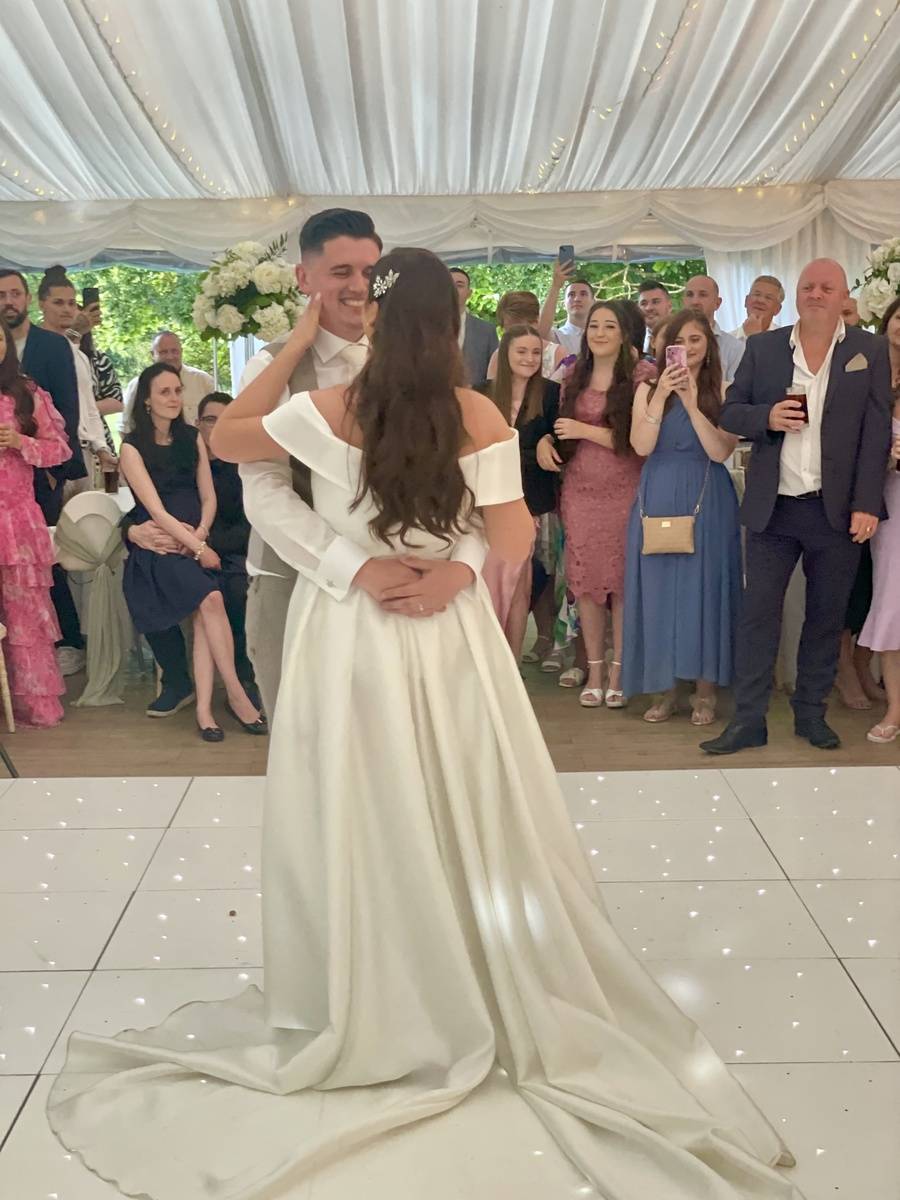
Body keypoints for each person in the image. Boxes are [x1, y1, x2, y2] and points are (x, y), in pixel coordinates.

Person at [48, 246, 800, 1200]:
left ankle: (376, 975)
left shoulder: (329, 408)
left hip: (351, 626)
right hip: (446, 629)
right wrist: (453, 568)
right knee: (466, 794)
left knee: (362, 796)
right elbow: (517, 532)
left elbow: (234, 441)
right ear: (451, 327)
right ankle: (469, 959)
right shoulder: (477, 409)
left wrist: (302, 344)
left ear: (378, 322)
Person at [239, 208, 485, 721]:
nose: (358, 287)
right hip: (301, 581)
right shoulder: (275, 366)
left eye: (369, 273)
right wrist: (356, 569)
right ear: (303, 278)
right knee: (311, 747)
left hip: (424, 591)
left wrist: (459, 567)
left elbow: (475, 490)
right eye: (340, 272)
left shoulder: (426, 365)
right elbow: (263, 488)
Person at [701, 258, 893, 755]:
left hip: (838, 511)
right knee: (757, 616)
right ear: (797, 293)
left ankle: (811, 715)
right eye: (808, 285)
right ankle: (748, 721)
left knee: (826, 618)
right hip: (774, 508)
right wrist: (766, 416)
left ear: (843, 296)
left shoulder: (867, 350)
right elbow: (730, 410)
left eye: (826, 287)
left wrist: (867, 503)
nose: (816, 293)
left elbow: (875, 434)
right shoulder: (764, 347)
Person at [118, 363, 266, 742]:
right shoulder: (132, 446)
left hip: (192, 543)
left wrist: (199, 535)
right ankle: (234, 693)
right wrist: (194, 545)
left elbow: (208, 495)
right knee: (211, 598)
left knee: (207, 611)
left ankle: (204, 709)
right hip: (161, 549)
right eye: (164, 392)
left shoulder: (191, 437)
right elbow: (154, 509)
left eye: (178, 390)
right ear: (147, 400)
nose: (173, 398)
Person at [623, 310, 741, 724]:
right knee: (658, 593)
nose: (688, 349)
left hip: (707, 496)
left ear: (708, 346)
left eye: (697, 340)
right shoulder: (646, 390)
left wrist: (692, 404)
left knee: (704, 591)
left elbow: (720, 452)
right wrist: (660, 396)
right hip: (656, 493)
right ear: (664, 346)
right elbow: (640, 445)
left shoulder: (724, 391)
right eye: (680, 341)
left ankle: (705, 691)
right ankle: (663, 688)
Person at [554, 301, 643, 707]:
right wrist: (544, 441)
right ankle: (594, 667)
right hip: (579, 490)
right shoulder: (574, 374)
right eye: (594, 325)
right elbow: (556, 428)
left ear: (624, 333)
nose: (600, 332)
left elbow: (637, 443)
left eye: (610, 326)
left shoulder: (643, 376)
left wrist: (584, 430)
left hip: (626, 488)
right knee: (587, 584)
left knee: (623, 583)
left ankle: (621, 669)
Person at [0, 267, 87, 675]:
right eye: (2, 295)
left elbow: (67, 412)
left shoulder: (50, 347)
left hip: (36, 488)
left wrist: (55, 472)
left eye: (15, 293)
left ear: (27, 298)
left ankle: (66, 642)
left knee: (42, 575)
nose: (9, 301)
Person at [0, 316, 71, 726]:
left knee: (25, 614)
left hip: (18, 520)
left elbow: (59, 450)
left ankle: (34, 704)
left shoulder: (27, 393)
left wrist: (20, 442)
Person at [478, 324, 559, 655]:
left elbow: (559, 449)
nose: (529, 358)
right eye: (522, 351)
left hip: (530, 503)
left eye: (536, 352)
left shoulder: (551, 393)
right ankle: (487, 659)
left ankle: (510, 662)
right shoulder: (480, 393)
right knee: (489, 585)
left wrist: (548, 439)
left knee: (520, 586)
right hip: (486, 502)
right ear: (505, 354)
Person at [858, 296, 900, 743]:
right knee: (893, 606)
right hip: (892, 508)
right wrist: (885, 459)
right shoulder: (874, 381)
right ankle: (895, 709)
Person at [196, 391, 257, 696]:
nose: (216, 427)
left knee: (237, 590)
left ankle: (244, 677)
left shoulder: (245, 469)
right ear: (198, 424)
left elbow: (249, 525)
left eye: (224, 420)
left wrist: (210, 546)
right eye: (209, 420)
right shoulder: (184, 464)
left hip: (231, 554)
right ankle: (179, 680)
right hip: (190, 553)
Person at [36, 266, 118, 486]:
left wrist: (101, 448)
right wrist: (74, 333)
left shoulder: (80, 356)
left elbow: (88, 407)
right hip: (48, 455)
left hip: (83, 453)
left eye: (72, 303)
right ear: (41, 304)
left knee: (89, 517)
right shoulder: (33, 347)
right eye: (58, 302)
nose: (67, 309)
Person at [121, 330, 215, 431]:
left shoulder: (202, 380)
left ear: (181, 351)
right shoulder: (137, 385)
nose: (170, 357)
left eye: (174, 351)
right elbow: (125, 427)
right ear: (152, 354)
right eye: (163, 352)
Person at [487, 291, 567, 379]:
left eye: (522, 329)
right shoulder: (499, 355)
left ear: (536, 322)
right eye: (510, 329)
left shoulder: (557, 353)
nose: (517, 335)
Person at [683, 274, 745, 382]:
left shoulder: (734, 347)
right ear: (683, 301)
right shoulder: (670, 341)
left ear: (718, 303)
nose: (695, 301)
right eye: (690, 295)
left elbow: (735, 392)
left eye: (703, 295)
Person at [450, 267, 499, 383]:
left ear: (469, 293)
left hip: (475, 397)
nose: (452, 289)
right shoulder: (425, 328)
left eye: (459, 285)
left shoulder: (486, 331)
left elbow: (494, 376)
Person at [537, 261, 595, 355]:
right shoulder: (558, 336)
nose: (576, 299)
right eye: (571, 295)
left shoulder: (602, 335)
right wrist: (555, 286)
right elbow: (541, 332)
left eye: (583, 294)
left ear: (593, 302)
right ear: (564, 303)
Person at [729, 275, 784, 340]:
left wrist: (754, 337)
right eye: (757, 294)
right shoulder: (726, 341)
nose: (760, 300)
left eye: (768, 298)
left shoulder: (785, 340)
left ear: (777, 309)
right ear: (746, 301)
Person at [636, 278, 673, 351]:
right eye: (643, 303)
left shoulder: (681, 335)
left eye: (655, 302)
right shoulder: (633, 339)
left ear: (669, 306)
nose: (649, 308)